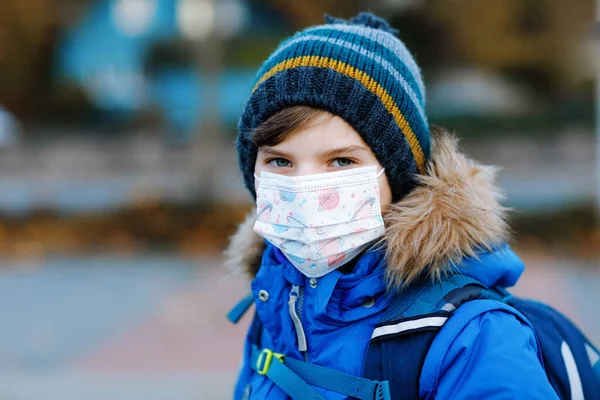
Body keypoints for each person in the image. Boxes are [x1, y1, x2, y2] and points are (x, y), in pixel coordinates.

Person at [225, 12, 568, 400]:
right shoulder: (279, 297)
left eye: (341, 161)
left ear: (398, 173)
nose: (304, 188)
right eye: (280, 161)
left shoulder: (472, 336)